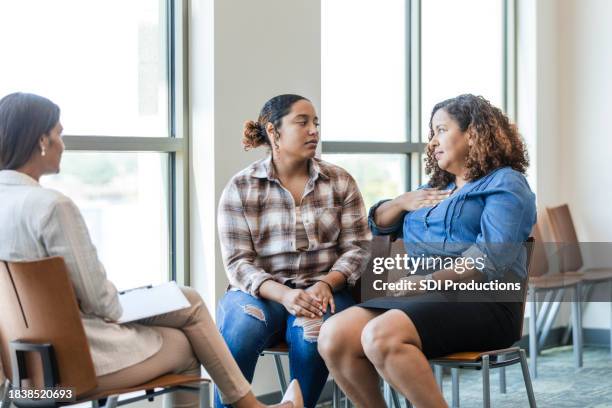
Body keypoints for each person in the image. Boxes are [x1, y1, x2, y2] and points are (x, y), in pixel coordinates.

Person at [0, 92, 302, 408]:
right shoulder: (53, 207)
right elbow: (102, 304)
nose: (63, 144)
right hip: (76, 369)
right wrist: (143, 302)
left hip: (24, 381)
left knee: (187, 298)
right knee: (186, 344)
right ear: (41, 141)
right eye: (59, 134)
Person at [317, 94, 536, 408]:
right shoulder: (434, 190)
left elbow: (489, 257)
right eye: (431, 134)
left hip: (484, 301)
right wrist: (401, 202)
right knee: (334, 334)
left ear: (472, 133)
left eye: (441, 130)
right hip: (422, 299)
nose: (432, 142)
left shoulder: (506, 184)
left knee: (380, 335)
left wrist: (428, 280)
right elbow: (380, 225)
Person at [216, 94, 371, 408]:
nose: (313, 130)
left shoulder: (340, 181)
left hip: (322, 290)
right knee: (241, 332)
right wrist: (284, 295)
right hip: (261, 294)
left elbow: (357, 247)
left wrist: (326, 283)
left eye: (315, 123)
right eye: (302, 122)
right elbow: (237, 262)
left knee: (310, 338)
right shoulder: (241, 187)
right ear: (273, 132)